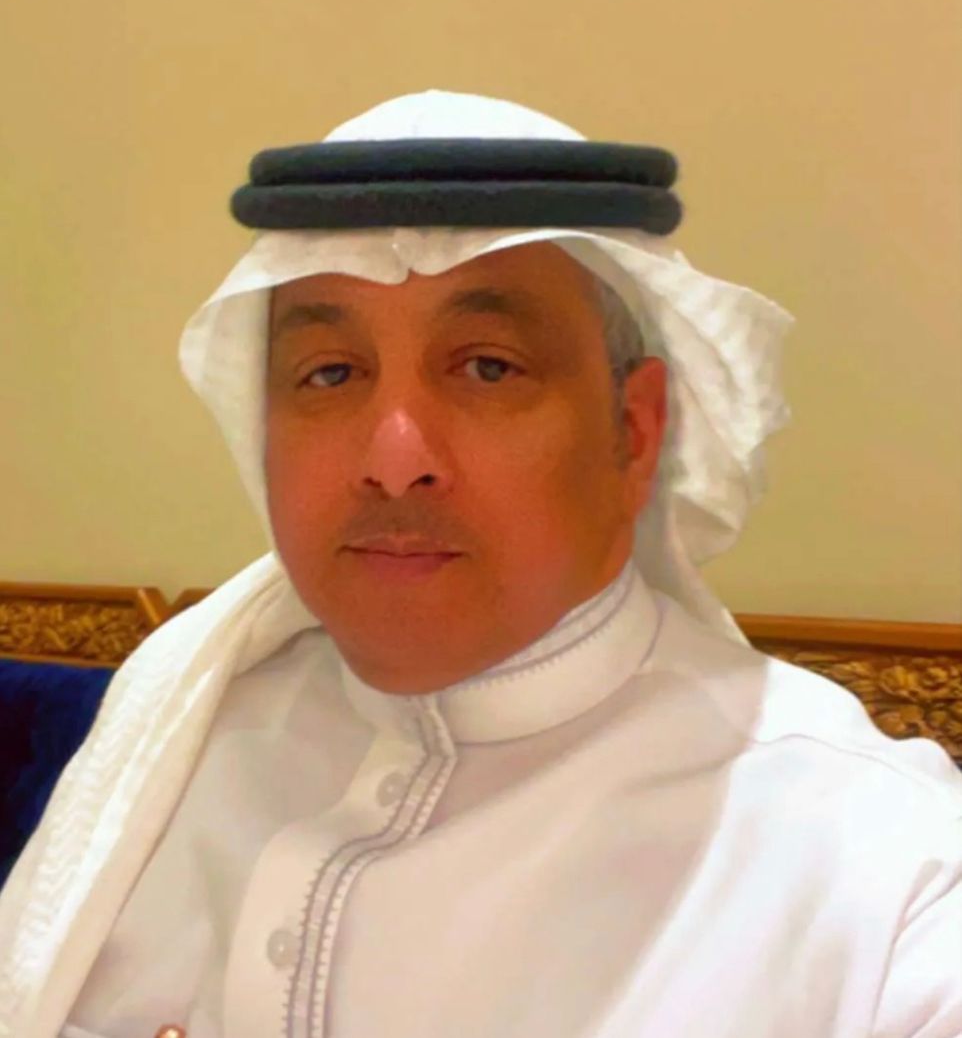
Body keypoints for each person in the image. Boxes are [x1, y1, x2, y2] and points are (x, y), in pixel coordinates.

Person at [1, 90, 959, 1038]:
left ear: (632, 433)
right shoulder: (170, 743)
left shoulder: (884, 872)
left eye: (488, 367)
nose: (394, 458)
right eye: (329, 372)